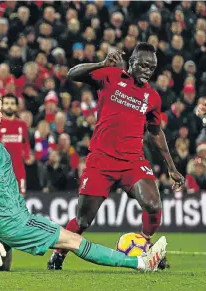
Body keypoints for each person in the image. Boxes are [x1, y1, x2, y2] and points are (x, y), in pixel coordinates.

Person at [0, 91, 166, 272]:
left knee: (1, 264)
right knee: (74, 241)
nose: (1, 116)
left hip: (1, 223)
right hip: (14, 221)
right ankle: (141, 263)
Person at [48, 43, 183, 270]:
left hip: (132, 161)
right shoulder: (110, 76)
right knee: (82, 221)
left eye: (152, 67)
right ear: (131, 63)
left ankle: (144, 246)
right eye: (144, 65)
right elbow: (72, 74)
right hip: (101, 161)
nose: (148, 70)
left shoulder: (152, 97)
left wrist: (171, 166)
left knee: (153, 204)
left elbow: (155, 132)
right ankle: (59, 254)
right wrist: (101, 63)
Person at [0, 93, 31, 195]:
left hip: (19, 168)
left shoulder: (22, 125)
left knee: (20, 198)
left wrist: (27, 155)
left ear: (17, 106)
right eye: (6, 103)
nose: (9, 106)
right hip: (2, 169)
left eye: (12, 103)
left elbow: (26, 143)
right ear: (2, 106)